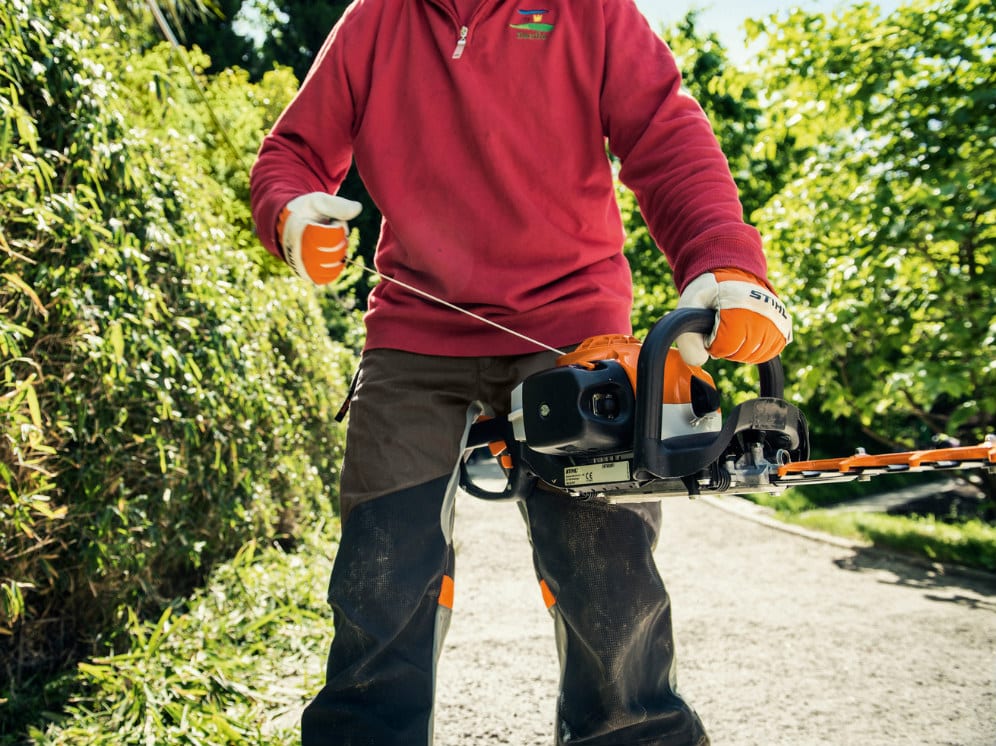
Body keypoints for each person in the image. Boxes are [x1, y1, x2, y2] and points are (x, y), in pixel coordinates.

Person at [250, 0, 792, 743]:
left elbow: (668, 136)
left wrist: (724, 263)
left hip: (573, 331)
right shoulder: (376, 18)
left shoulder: (592, 11)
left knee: (608, 576)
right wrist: (290, 214)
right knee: (381, 575)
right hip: (414, 333)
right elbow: (293, 151)